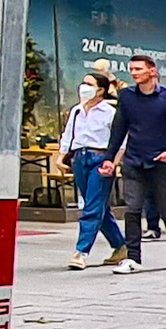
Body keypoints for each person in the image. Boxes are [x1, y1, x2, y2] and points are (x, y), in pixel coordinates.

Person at [99, 53, 166, 273]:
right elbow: (118, 130)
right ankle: (133, 258)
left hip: (161, 161)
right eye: (131, 69)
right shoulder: (127, 97)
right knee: (132, 209)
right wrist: (109, 159)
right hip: (133, 160)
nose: (133, 73)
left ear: (152, 71)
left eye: (138, 69)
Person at [56, 65, 127, 268]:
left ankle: (81, 251)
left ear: (101, 90)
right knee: (96, 204)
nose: (84, 87)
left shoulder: (109, 112)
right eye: (84, 83)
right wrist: (62, 156)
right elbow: (68, 135)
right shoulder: (77, 111)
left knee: (91, 207)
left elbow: (120, 140)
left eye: (89, 84)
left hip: (100, 158)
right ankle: (120, 245)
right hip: (80, 158)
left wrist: (113, 163)